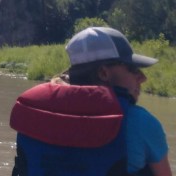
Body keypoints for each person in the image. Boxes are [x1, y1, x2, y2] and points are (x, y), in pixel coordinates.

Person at [10, 26, 171, 176]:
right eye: (133, 69)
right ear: (103, 73)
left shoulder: (36, 114)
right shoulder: (142, 122)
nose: (142, 78)